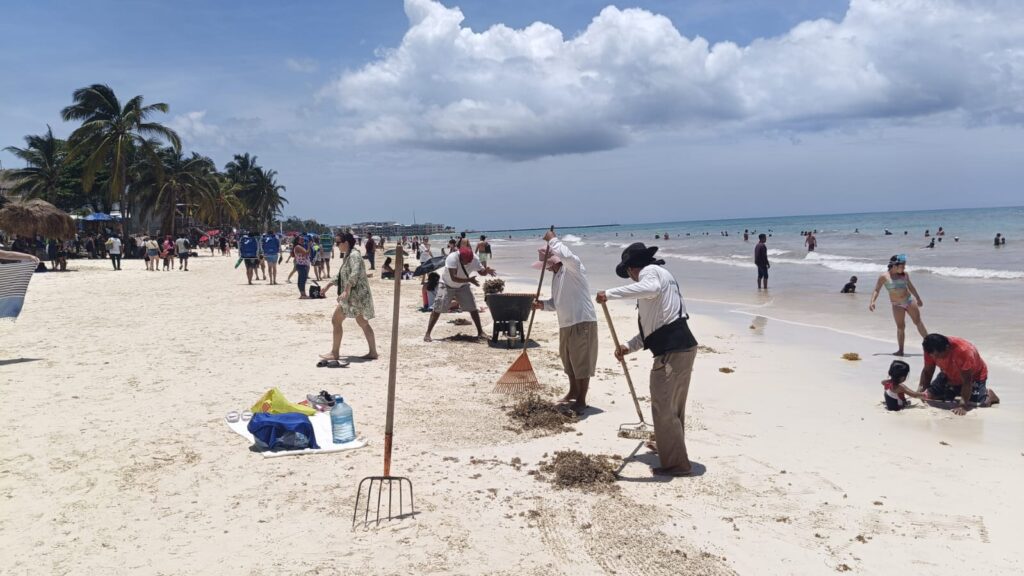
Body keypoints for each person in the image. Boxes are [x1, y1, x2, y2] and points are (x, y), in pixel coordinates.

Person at [596, 243, 699, 477]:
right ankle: (669, 448)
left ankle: (677, 465)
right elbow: (651, 329)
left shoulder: (650, 274)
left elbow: (648, 288)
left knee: (663, 406)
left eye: (630, 274)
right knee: (673, 407)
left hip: (672, 350)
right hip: (683, 346)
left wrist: (609, 294)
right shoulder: (663, 278)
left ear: (633, 268)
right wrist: (627, 347)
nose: (633, 279)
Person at [533, 229, 598, 415]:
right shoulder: (557, 277)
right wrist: (541, 305)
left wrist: (552, 239)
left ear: (555, 260)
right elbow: (556, 303)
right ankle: (573, 391)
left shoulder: (573, 269)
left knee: (581, 362)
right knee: (568, 360)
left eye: (547, 265)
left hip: (582, 321)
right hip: (566, 323)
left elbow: (568, 255)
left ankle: (582, 400)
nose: (546, 269)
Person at [321, 232, 378, 362]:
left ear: (345, 243)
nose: (336, 245)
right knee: (362, 322)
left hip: (354, 296)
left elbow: (354, 274)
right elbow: (341, 275)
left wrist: (346, 291)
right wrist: (328, 285)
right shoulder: (348, 255)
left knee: (336, 320)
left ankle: (335, 353)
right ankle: (373, 352)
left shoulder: (354, 256)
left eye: (338, 243)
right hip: (355, 296)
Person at [424, 246, 496, 342]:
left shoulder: (474, 259)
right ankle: (428, 334)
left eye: (468, 261)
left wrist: (486, 271)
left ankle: (480, 332)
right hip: (446, 284)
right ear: (460, 257)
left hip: (463, 285)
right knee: (438, 308)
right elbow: (454, 278)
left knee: (472, 307)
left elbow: (481, 272)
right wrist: (469, 280)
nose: (467, 263)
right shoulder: (452, 258)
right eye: (465, 261)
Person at [918, 334, 1000, 415]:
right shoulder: (930, 349)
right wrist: (921, 391)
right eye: (933, 356)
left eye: (937, 355)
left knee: (980, 404)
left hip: (974, 376)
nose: (935, 358)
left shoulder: (963, 351)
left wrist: (962, 406)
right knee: (929, 396)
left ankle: (989, 394)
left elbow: (967, 380)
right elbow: (927, 371)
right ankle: (957, 391)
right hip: (948, 374)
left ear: (947, 348)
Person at [869, 254, 927, 356]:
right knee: (900, 327)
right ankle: (901, 350)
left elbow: (911, 287)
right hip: (896, 305)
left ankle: (930, 346)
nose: (904, 267)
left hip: (909, 301)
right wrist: (872, 301)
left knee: (918, 322)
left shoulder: (905, 275)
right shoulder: (884, 277)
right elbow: (877, 290)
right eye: (902, 265)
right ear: (894, 265)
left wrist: (918, 298)